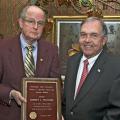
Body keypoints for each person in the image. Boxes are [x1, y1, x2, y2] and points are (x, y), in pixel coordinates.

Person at [0, 5, 60, 120]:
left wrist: (56, 112)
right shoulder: (2, 47)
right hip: (9, 115)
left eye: (40, 23)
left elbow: (55, 87)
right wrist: (10, 93)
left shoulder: (51, 50)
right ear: (21, 23)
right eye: (31, 21)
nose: (36, 27)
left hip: (42, 116)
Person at [62, 16, 120, 120]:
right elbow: (67, 102)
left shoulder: (115, 67)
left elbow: (116, 111)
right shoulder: (72, 61)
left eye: (94, 35)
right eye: (83, 35)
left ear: (103, 40)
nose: (87, 40)